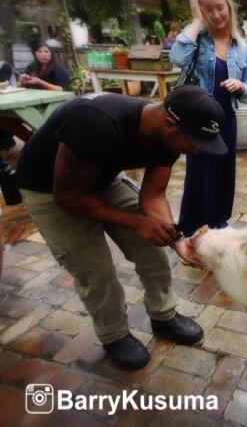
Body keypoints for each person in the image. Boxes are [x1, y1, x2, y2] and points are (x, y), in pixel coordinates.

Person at [16, 86, 224, 369]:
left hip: (103, 177)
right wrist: (137, 223)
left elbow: (152, 195)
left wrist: (175, 239)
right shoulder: (95, 122)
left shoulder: (170, 137)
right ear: (169, 124)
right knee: (95, 269)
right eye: (194, 141)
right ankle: (114, 335)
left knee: (153, 248)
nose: (196, 150)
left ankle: (164, 316)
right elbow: (69, 196)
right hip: (49, 188)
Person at [170, 0, 247, 236]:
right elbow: (177, 58)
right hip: (198, 120)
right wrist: (195, 21)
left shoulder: (242, 48)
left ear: (229, 7)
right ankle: (192, 225)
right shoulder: (198, 40)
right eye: (208, 9)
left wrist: (240, 86)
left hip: (226, 119)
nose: (216, 14)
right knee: (199, 173)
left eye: (220, 7)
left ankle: (218, 222)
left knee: (223, 172)